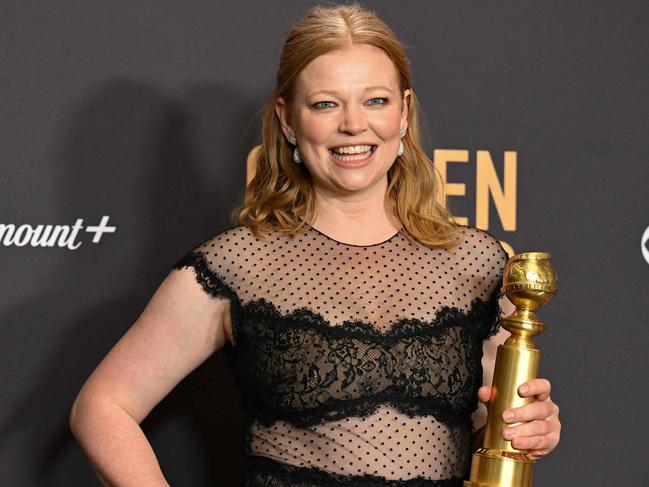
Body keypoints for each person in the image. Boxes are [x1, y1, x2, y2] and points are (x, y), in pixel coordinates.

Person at [69, 3, 561, 486]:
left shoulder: (477, 261)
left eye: (376, 100)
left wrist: (533, 427)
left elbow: (492, 423)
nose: (353, 124)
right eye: (326, 103)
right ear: (288, 120)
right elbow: (103, 406)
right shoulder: (239, 264)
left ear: (405, 111)